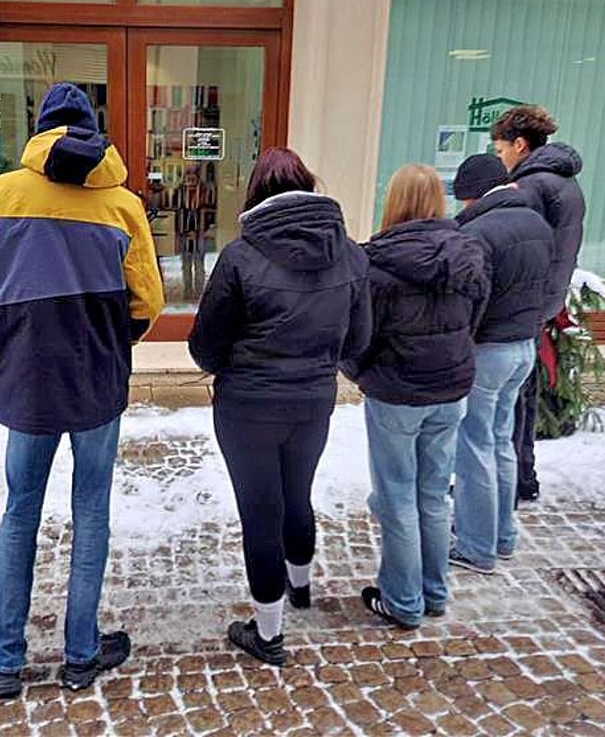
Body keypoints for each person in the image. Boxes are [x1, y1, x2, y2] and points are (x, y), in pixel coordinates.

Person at [0, 83, 164, 697]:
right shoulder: (123, 204)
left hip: (27, 380)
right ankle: (80, 653)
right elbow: (147, 299)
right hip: (97, 376)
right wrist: (111, 336)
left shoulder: (2, 193)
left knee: (21, 511)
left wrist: (12, 333)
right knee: (91, 508)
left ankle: (7, 659)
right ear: (92, 132)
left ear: (41, 130)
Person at [188, 147, 371, 666]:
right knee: (298, 493)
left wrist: (229, 365)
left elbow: (205, 344)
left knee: (260, 511)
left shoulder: (241, 256)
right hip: (313, 401)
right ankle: (301, 587)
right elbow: (359, 341)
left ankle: (268, 635)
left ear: (256, 195)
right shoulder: (352, 255)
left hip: (247, 405)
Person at [341, 164, 489, 629]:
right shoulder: (470, 253)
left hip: (397, 392)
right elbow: (476, 320)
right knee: (431, 493)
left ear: (394, 201)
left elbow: (359, 334)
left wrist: (361, 373)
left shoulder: (376, 263)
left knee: (397, 495)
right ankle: (434, 592)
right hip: (450, 389)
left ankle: (404, 601)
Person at [450, 154, 554, 574]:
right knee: (499, 441)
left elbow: (473, 299)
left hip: (488, 349)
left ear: (472, 194)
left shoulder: (478, 232)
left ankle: (476, 547)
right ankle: (502, 534)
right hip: (523, 347)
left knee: (474, 447)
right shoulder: (537, 224)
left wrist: (461, 344)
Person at [491, 106, 585, 503]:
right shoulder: (565, 183)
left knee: (506, 402)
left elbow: (516, 247)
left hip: (522, 305)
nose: (500, 158)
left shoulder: (531, 187)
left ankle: (503, 482)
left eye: (500, 150)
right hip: (544, 302)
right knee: (523, 396)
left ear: (519, 144)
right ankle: (523, 477)